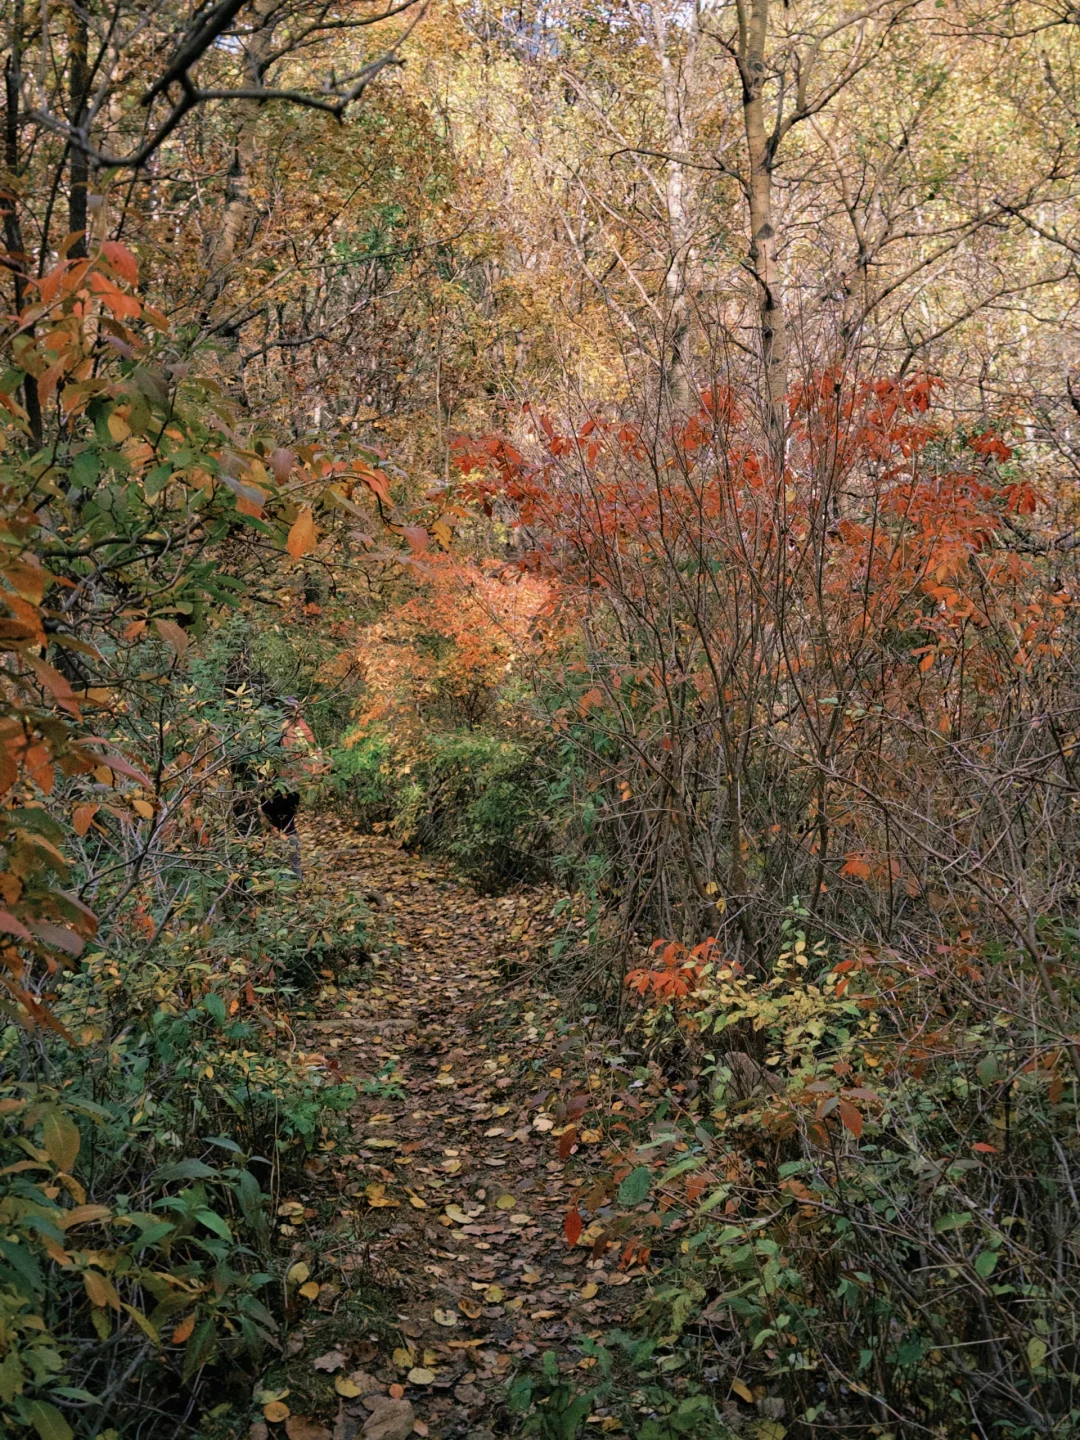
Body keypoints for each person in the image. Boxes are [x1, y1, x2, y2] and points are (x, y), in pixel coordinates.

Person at [260, 698, 321, 878]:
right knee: (286, 826)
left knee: (278, 826)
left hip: (279, 785)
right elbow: (312, 757)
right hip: (292, 785)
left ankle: (284, 873)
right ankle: (293, 871)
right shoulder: (301, 728)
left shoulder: (283, 729)